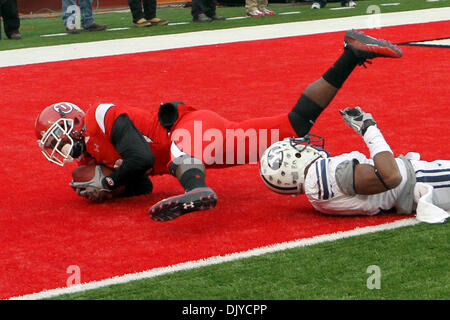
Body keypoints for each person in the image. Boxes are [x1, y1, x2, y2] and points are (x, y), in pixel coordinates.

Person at [34, 30, 402, 222]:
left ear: (73, 122)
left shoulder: (101, 115)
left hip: (192, 129)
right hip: (203, 150)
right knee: (294, 124)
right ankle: (351, 54)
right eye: (56, 147)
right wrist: (110, 191)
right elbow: (143, 183)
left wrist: (111, 179)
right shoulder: (98, 156)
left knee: (179, 150)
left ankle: (198, 191)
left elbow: (141, 155)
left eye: (60, 139)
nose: (62, 150)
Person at [259, 107, 450, 224]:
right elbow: (391, 176)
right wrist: (368, 129)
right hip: (424, 179)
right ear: (296, 159)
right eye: (298, 148)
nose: (305, 145)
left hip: (414, 191)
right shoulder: (324, 173)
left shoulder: (316, 199)